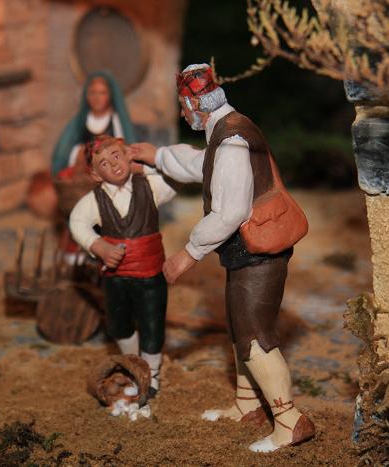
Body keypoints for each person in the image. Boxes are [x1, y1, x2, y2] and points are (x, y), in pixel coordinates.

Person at [129, 64, 315, 452]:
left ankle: (289, 421)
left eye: (183, 106)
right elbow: (203, 164)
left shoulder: (232, 142)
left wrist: (188, 253)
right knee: (241, 330)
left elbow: (230, 212)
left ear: (195, 104)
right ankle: (248, 405)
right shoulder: (224, 131)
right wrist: (158, 155)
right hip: (244, 251)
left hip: (259, 253)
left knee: (256, 337)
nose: (182, 114)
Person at [69, 136, 175, 397]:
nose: (113, 164)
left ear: (127, 154)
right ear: (95, 174)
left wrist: (148, 164)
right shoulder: (94, 200)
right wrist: (99, 246)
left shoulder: (151, 185)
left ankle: (152, 373)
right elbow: (77, 221)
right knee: (119, 323)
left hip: (150, 274)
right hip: (116, 277)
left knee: (152, 323)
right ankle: (132, 364)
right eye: (104, 163)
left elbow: (177, 177)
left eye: (116, 155)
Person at [51, 71, 136, 177]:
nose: (97, 98)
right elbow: (64, 152)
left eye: (102, 93)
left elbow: (124, 146)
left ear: (110, 95)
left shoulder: (116, 121)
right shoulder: (80, 121)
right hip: (84, 172)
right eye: (93, 93)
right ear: (87, 95)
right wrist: (79, 152)